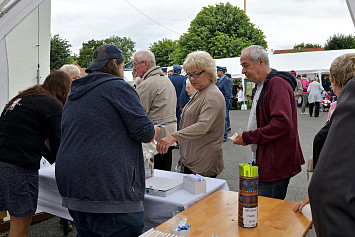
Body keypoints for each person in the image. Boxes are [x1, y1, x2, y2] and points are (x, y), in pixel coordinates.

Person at [55, 44, 160, 237]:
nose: (124, 71)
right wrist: (156, 129)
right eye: (122, 66)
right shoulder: (118, 87)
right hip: (107, 191)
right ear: (115, 63)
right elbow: (145, 133)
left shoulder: (74, 92)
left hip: (73, 188)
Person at [0, 70, 71, 237]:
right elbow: (59, 143)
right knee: (20, 225)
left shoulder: (25, 98)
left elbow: (35, 139)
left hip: (2, 162)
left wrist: (53, 159)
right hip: (18, 168)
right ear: (63, 90)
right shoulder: (52, 104)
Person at [233, 45, 304, 200]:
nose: (243, 71)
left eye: (246, 65)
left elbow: (282, 123)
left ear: (260, 61)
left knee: (267, 214)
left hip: (275, 163)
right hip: (267, 159)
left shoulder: (276, 84)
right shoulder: (263, 84)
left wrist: (247, 137)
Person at [293, 53, 355, 217]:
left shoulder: (341, 110)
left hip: (340, 204)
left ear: (333, 80)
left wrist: (316, 190)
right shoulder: (337, 107)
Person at [157, 51, 225, 178]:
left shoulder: (211, 95)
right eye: (189, 75)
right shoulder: (201, 91)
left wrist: (173, 136)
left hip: (202, 163)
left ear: (209, 72)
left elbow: (202, 125)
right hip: (193, 160)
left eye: (196, 74)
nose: (192, 79)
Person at [133, 50, 177, 171]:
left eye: (135, 64)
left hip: (155, 140)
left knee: (153, 179)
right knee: (165, 173)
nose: (134, 68)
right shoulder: (166, 80)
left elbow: (137, 114)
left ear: (145, 64)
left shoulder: (147, 84)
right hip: (168, 135)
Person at [216, 66, 232, 141]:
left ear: (221, 71)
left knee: (223, 119)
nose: (217, 72)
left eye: (218, 71)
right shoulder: (219, 80)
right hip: (219, 103)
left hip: (223, 103)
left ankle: (224, 135)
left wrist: (225, 103)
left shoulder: (226, 80)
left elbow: (228, 94)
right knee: (220, 119)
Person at [169, 65, 186, 129]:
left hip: (171, 103)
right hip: (180, 103)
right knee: (179, 121)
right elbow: (184, 92)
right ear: (180, 71)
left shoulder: (169, 79)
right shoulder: (184, 79)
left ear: (173, 71)